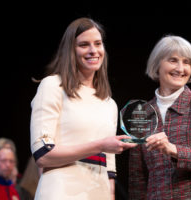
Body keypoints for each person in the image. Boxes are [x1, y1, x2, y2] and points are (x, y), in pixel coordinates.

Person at [30, 17, 136, 200]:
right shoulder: (52, 86)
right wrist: (101, 145)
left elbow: (109, 168)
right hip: (60, 192)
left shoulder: (109, 103)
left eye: (98, 43)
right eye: (84, 45)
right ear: (70, 50)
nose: (93, 51)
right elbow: (43, 154)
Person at [128, 35, 191, 199]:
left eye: (186, 62)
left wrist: (173, 150)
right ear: (157, 64)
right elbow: (137, 179)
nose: (180, 68)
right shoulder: (141, 113)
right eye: (173, 60)